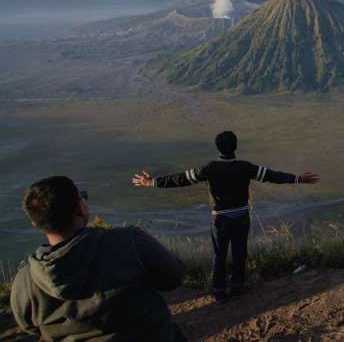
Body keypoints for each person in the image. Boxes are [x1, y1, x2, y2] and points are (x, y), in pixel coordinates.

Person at [132, 130, 319, 303]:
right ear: (235, 146)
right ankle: (237, 287)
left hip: (220, 220)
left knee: (219, 255)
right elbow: (272, 176)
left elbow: (180, 179)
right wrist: (297, 178)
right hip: (241, 217)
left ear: (218, 147)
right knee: (240, 253)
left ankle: (219, 291)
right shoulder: (245, 167)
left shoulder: (210, 169)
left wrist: (151, 182)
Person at [11, 175, 186, 341]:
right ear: (80, 209)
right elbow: (173, 277)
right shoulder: (129, 241)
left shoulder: (26, 281)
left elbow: (28, 326)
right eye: (82, 197)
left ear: (35, 222)